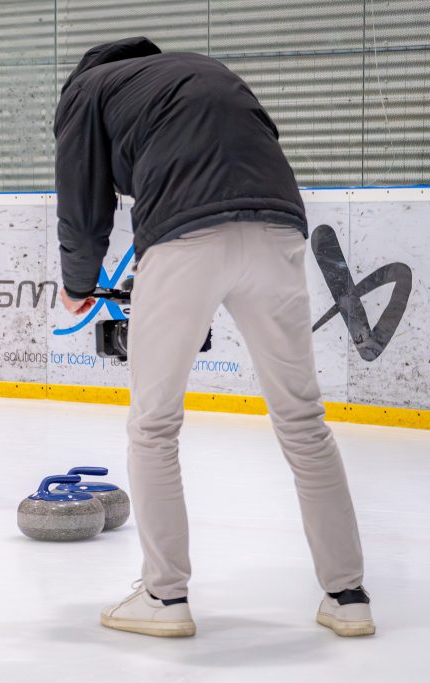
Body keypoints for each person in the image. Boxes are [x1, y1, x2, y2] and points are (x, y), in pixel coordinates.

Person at [54, 36, 373, 637]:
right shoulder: (203, 70)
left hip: (184, 237)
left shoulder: (88, 91)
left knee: (153, 425)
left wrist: (78, 281)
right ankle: (348, 596)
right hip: (278, 226)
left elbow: (81, 197)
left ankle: (164, 598)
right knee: (304, 421)